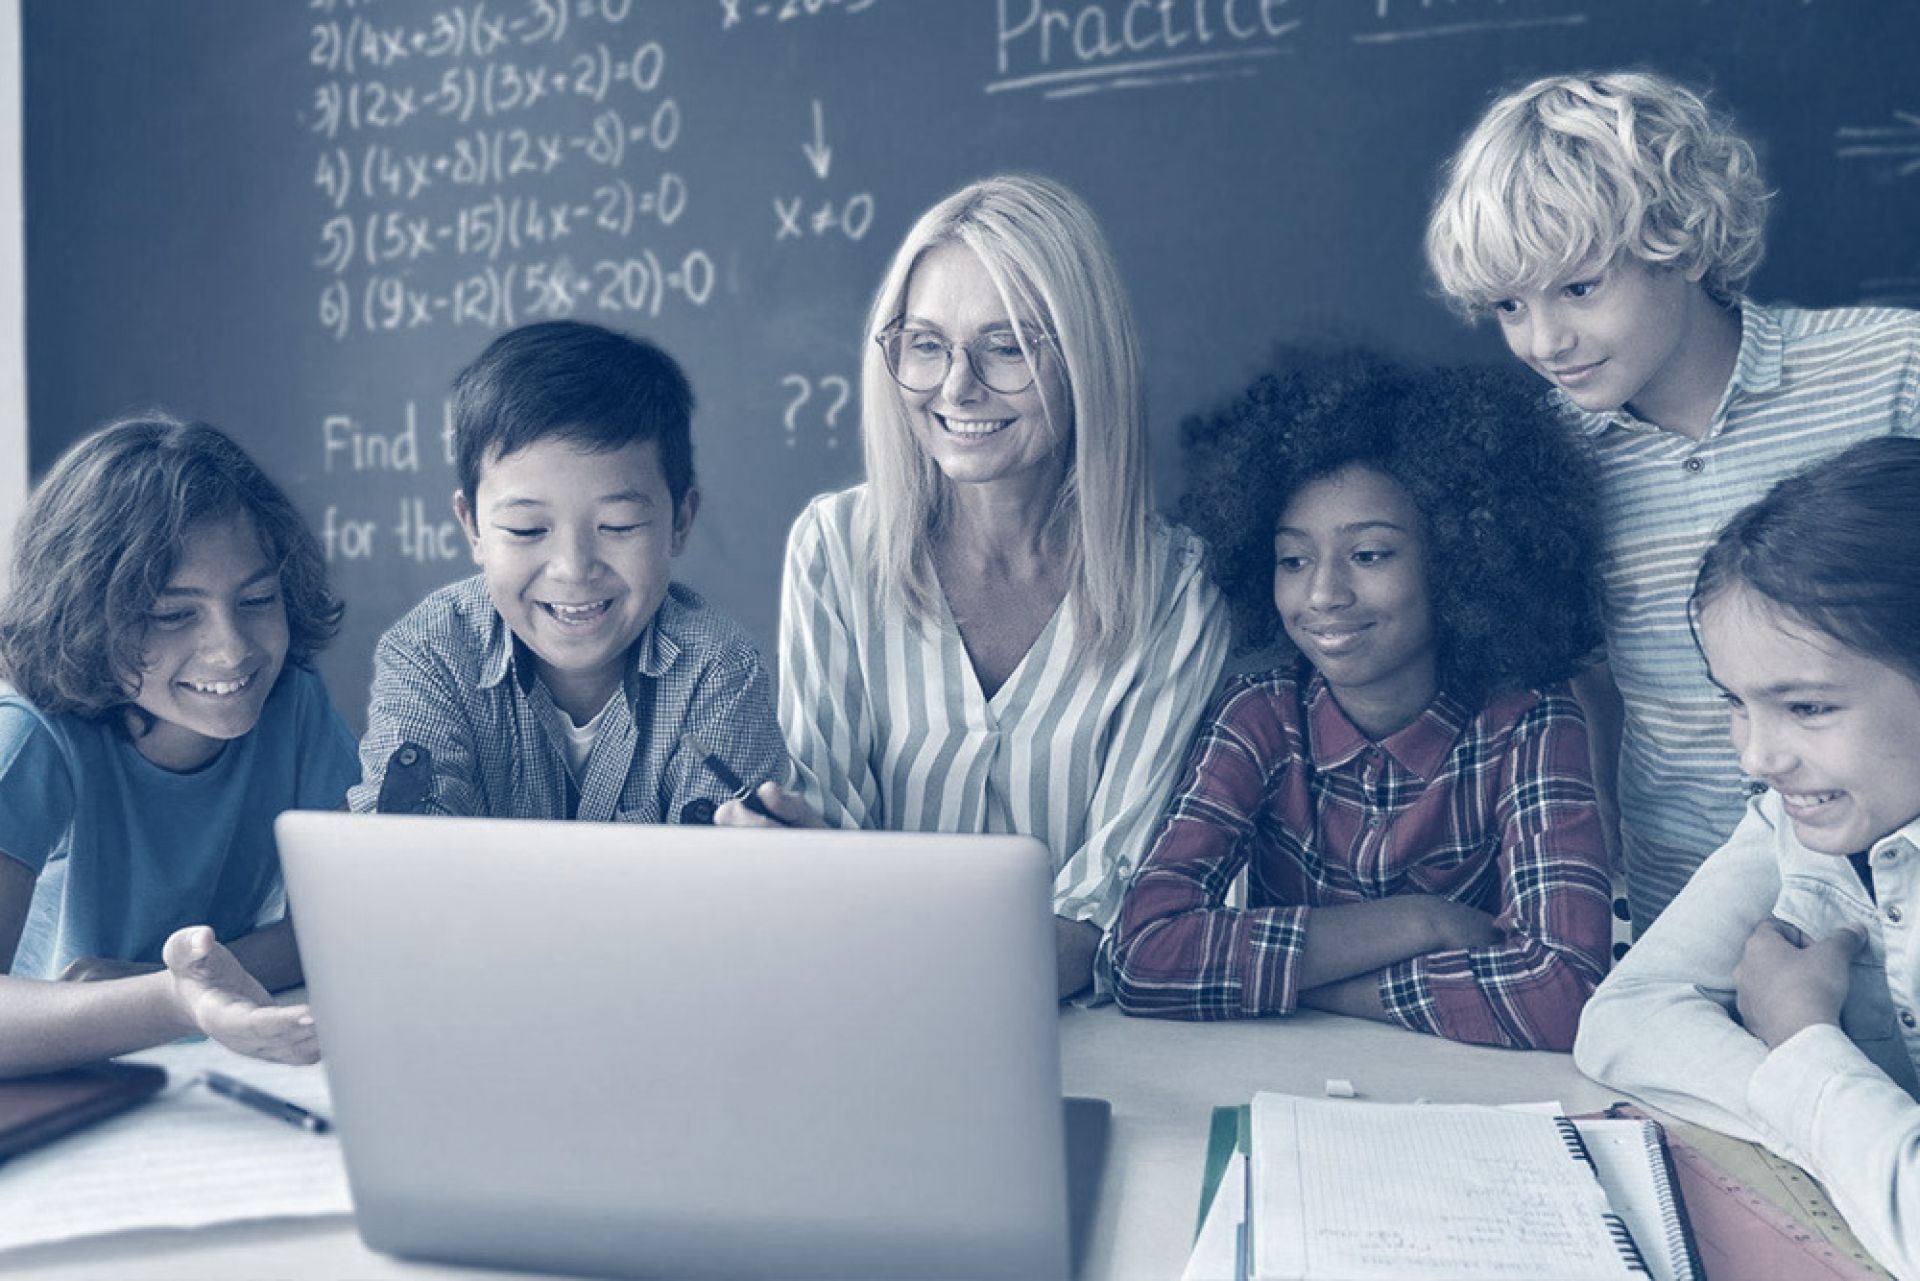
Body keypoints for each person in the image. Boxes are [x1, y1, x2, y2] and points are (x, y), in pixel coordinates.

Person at [1424, 69, 1920, 931]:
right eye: (1509, 305)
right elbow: (1584, 679)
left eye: (1579, 288)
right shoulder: (1540, 462)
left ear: (1682, 244)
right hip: (1689, 916)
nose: (1546, 341)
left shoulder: (1894, 371)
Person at [717, 174, 1231, 999]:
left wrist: (886, 936)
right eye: (926, 344)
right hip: (871, 1019)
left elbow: (1117, 915)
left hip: (1091, 1048)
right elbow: (828, 853)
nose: (956, 387)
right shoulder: (835, 550)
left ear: (1085, 356)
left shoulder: (1174, 588)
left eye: (1007, 347)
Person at [1111, 351, 1612, 1051]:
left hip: (1477, 1101)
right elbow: (1142, 954)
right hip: (1282, 1085)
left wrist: (1311, 987)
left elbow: (1564, 993)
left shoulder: (1527, 717)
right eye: (1293, 560)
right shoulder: (1257, 716)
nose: (1323, 594)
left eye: (1369, 555)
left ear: (1459, 557)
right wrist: (1422, 921)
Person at [1574, 437, 1920, 1278]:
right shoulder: (1793, 817)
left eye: (1806, 706)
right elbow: (1623, 1019)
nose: (1758, 757)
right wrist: (1844, 1126)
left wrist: (1802, 1038)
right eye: (1737, 704)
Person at [0, 416, 359, 1077]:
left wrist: (186, 983)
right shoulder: (30, 734)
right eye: (172, 614)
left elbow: (345, 924)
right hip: (65, 1079)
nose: (232, 647)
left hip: (204, 1061)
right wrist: (174, 998)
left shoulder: (294, 702)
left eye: (257, 598)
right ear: (85, 613)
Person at [349, 320, 786, 822]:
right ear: (473, 528)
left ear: (680, 521)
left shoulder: (718, 669)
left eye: (618, 525)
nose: (573, 569)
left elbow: (725, 875)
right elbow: (400, 853)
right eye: (526, 529)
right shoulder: (430, 652)